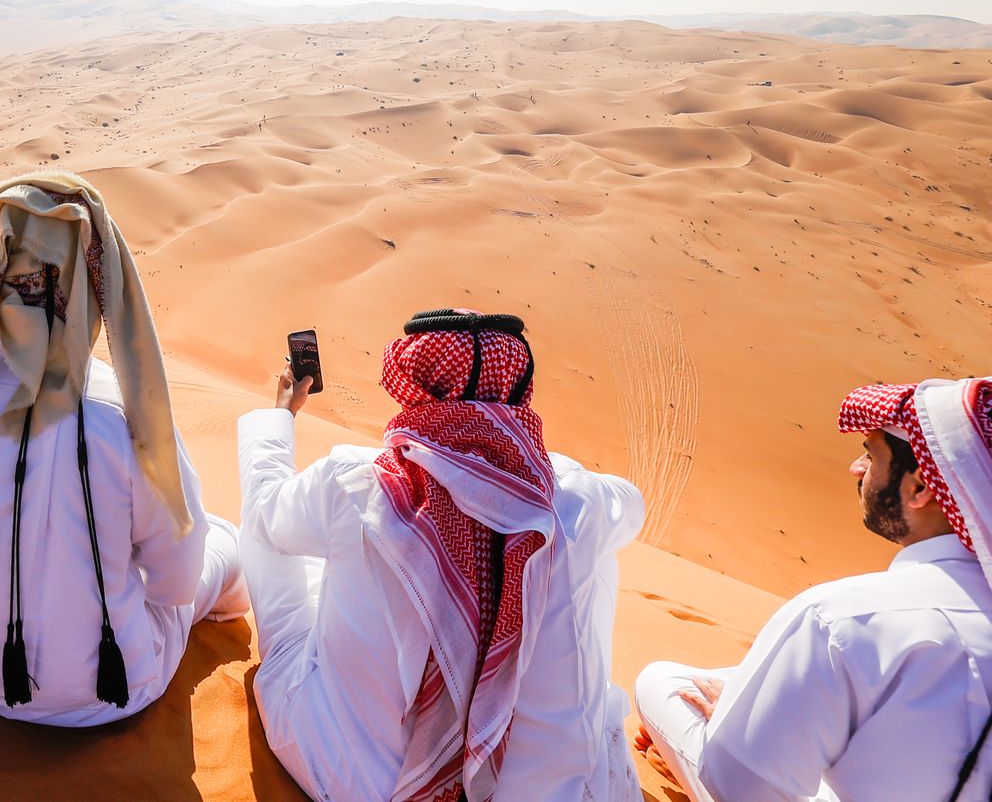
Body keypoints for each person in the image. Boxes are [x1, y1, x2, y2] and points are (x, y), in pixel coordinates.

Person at [0, 172, 247, 726]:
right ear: (98, 282)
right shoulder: (124, 416)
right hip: (95, 697)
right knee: (223, 543)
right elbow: (174, 580)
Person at [238, 309, 645, 802]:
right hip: (552, 793)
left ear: (410, 383)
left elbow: (265, 512)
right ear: (519, 389)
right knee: (581, 556)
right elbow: (631, 505)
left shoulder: (355, 481)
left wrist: (281, 414)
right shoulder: (581, 497)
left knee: (270, 537)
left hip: (355, 784)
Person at [633, 375, 992, 802]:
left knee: (665, 683)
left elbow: (741, 788)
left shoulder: (841, 617)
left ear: (920, 487)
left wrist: (729, 731)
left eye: (871, 455)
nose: (856, 469)